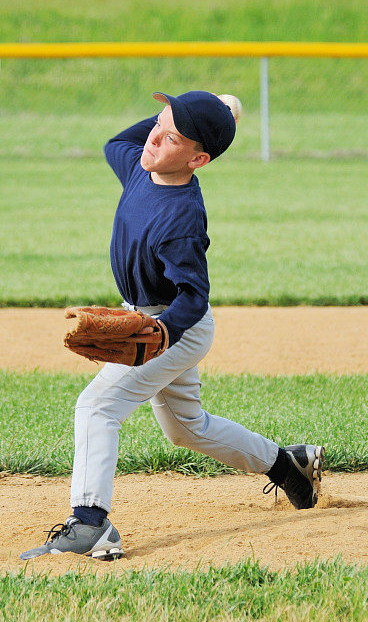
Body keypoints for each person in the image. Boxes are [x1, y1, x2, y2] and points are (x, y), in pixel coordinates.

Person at [20, 90, 324, 562]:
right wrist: (176, 119)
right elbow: (116, 143)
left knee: (97, 406)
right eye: (158, 123)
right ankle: (288, 465)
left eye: (173, 136)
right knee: (187, 429)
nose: (155, 139)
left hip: (171, 327)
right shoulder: (142, 168)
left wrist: (162, 333)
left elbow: (194, 296)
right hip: (144, 316)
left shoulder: (181, 217)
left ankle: (90, 523)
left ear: (198, 159)